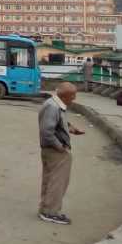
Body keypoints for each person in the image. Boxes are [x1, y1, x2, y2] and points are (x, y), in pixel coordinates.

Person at [38, 82, 85, 225]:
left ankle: (45, 209)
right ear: (66, 96)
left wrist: (71, 129)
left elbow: (58, 123)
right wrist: (60, 148)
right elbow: (47, 132)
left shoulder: (55, 104)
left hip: (51, 150)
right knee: (58, 182)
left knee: (50, 180)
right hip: (55, 151)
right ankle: (50, 213)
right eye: (73, 96)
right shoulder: (53, 107)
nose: (74, 98)